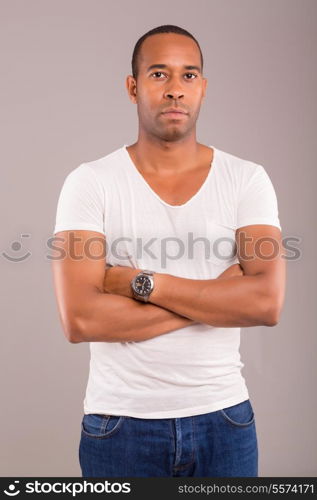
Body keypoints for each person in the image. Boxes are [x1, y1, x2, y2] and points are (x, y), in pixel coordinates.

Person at [52, 24, 286, 477]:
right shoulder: (90, 182)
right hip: (119, 425)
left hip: (225, 419)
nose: (176, 90)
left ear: (203, 87)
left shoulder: (246, 179)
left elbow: (265, 303)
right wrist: (216, 298)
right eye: (159, 75)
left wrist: (144, 284)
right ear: (133, 86)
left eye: (188, 76)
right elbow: (81, 320)